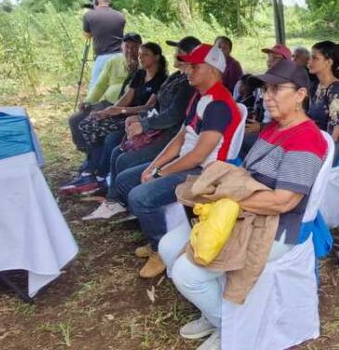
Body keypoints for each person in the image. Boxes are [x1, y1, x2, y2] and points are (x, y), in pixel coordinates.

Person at [157, 58, 327, 349]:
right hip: (244, 213)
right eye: (266, 89)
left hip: (277, 228)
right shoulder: (274, 128)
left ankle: (228, 326)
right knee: (168, 246)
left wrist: (228, 196)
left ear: (301, 95)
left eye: (276, 89)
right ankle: (213, 313)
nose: (267, 97)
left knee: (187, 273)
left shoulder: (306, 140)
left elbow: (282, 202)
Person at [108, 43, 242, 278]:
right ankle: (159, 235)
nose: (187, 70)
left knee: (139, 196)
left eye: (194, 66)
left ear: (212, 70)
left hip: (206, 173)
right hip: (188, 163)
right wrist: (153, 166)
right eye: (188, 65)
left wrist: (161, 172)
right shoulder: (199, 97)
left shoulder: (218, 105)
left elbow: (199, 155)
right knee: (126, 179)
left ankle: (161, 249)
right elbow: (181, 138)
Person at [82, 37, 197, 220]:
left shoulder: (187, 84)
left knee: (124, 159)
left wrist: (143, 124)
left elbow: (173, 116)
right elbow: (156, 106)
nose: (176, 54)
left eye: (180, 51)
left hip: (169, 135)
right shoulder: (177, 77)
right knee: (117, 152)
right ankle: (115, 201)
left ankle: (120, 202)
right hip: (158, 129)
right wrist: (138, 117)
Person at [62, 40, 168, 195]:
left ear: (157, 57)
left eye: (145, 55)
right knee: (88, 124)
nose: (141, 58)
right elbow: (127, 96)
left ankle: (100, 175)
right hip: (124, 114)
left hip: (138, 118)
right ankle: (91, 168)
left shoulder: (162, 78)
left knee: (111, 138)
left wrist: (121, 111)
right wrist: (108, 111)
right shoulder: (139, 74)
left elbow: (149, 107)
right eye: (140, 55)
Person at [67, 32, 141, 156]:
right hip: (107, 102)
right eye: (127, 46)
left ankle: (96, 158)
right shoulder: (113, 61)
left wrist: (134, 70)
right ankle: (88, 152)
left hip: (126, 107)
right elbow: (100, 85)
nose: (130, 50)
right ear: (121, 46)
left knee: (97, 125)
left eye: (134, 47)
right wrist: (88, 101)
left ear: (140, 47)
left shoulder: (143, 63)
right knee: (75, 119)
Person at [239, 43, 292, 157]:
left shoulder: (289, 87)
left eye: (276, 58)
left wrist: (261, 127)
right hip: (265, 127)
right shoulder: (266, 80)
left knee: (240, 140)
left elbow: (288, 123)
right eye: (269, 57)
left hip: (277, 136)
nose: (270, 61)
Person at [307, 41, 339, 163]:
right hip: (311, 137)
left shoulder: (337, 89)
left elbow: (335, 131)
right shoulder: (316, 85)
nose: (309, 62)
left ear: (329, 62)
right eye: (310, 57)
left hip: (324, 147)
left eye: (315, 58)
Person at [83, 0, 126, 90]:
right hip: (120, 55)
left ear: (96, 2)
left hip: (103, 56)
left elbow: (87, 36)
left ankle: (91, 104)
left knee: (95, 88)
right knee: (118, 86)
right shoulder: (120, 15)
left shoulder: (89, 15)